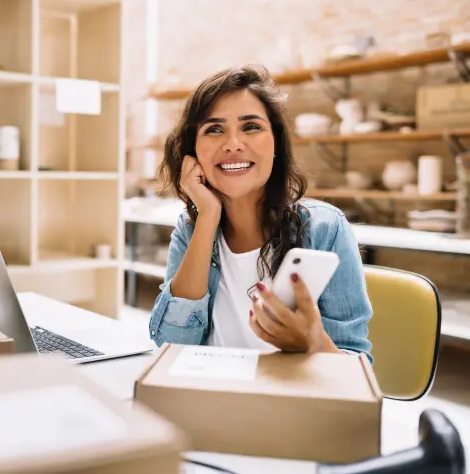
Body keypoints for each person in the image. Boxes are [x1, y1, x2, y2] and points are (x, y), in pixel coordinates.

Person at [149, 65, 373, 362]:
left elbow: (356, 370)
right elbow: (172, 344)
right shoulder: (191, 229)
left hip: (291, 402)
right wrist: (208, 217)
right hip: (216, 398)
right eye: (214, 129)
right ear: (193, 153)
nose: (233, 145)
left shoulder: (325, 229)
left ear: (276, 142)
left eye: (251, 127)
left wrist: (312, 342)